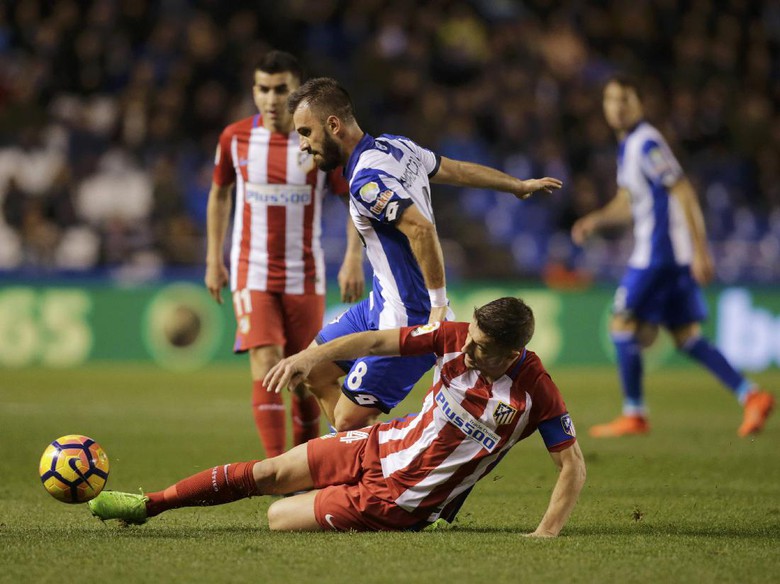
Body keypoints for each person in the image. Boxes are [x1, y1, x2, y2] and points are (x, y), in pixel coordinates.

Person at [88, 297, 586, 534]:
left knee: (277, 517)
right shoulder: (455, 336)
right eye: (470, 335)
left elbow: (572, 465)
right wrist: (312, 356)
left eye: (480, 345)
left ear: (510, 351)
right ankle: (148, 505)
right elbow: (374, 341)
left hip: (398, 500)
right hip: (380, 443)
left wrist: (546, 533)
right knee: (270, 472)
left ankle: (430, 517)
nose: (467, 345)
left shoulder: (536, 392)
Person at [284, 77, 563, 432]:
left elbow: (420, 228)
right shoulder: (396, 146)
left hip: (409, 316)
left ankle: (399, 455)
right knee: (316, 369)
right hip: (379, 304)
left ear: (333, 125)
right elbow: (456, 170)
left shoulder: (367, 181)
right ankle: (357, 461)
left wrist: (437, 306)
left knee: (348, 419)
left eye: (306, 132)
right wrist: (515, 185)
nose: (304, 145)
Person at [571, 75, 774, 438]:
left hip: (659, 253)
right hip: (666, 253)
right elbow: (628, 202)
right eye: (611, 99)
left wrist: (702, 251)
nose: (617, 107)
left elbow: (683, 189)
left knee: (621, 325)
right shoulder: (628, 146)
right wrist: (596, 220)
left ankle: (634, 412)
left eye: (625, 99)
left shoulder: (646, 141)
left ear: (639, 104)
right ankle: (751, 395)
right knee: (685, 337)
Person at [205, 52, 365, 457]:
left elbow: (352, 200)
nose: (272, 98)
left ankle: (302, 466)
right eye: (263, 89)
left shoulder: (314, 140)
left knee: (303, 375)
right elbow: (220, 192)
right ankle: (275, 470)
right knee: (266, 364)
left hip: (304, 274)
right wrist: (213, 258)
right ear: (254, 91)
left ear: (297, 92)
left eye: (281, 89)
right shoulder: (235, 138)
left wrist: (352, 257)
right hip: (251, 271)